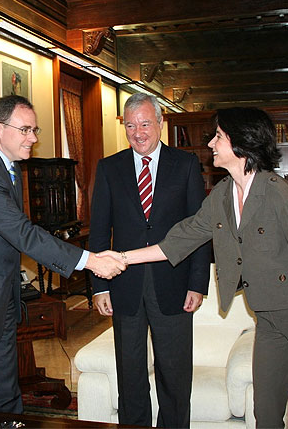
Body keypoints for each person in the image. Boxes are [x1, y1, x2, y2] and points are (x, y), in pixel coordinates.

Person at [97, 107, 288, 428]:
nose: (211, 144)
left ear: (241, 143)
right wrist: (124, 258)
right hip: (267, 322)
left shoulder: (279, 194)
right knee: (265, 415)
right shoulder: (223, 194)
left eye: (219, 137)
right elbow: (180, 239)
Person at [0, 95, 125, 428]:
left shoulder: (8, 168)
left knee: (4, 394)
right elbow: (21, 233)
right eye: (25, 129)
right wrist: (89, 260)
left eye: (35, 129)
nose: (33, 137)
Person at [89, 93, 211, 428]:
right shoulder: (109, 168)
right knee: (130, 372)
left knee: (174, 372)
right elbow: (99, 231)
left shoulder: (184, 164)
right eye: (131, 125)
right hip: (123, 286)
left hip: (173, 283)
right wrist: (99, 288)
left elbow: (198, 229)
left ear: (160, 123)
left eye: (145, 123)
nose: (138, 132)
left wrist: (198, 284)